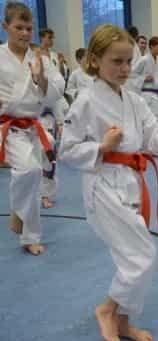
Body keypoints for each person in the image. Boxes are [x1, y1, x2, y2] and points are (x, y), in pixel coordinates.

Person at [59, 24, 158, 341]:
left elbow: (156, 144)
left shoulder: (133, 100)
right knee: (141, 255)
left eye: (127, 61)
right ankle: (107, 309)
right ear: (95, 59)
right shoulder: (86, 101)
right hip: (101, 187)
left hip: (131, 184)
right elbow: (65, 152)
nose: (124, 69)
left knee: (131, 257)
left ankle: (122, 321)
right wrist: (102, 147)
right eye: (116, 61)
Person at [0, 1, 65, 255]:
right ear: (5, 27)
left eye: (29, 28)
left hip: (33, 125)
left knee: (35, 174)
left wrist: (41, 77)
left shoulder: (40, 59)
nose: (25, 33)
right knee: (29, 170)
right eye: (19, 27)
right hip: (8, 126)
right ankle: (18, 211)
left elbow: (57, 92)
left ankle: (30, 236)